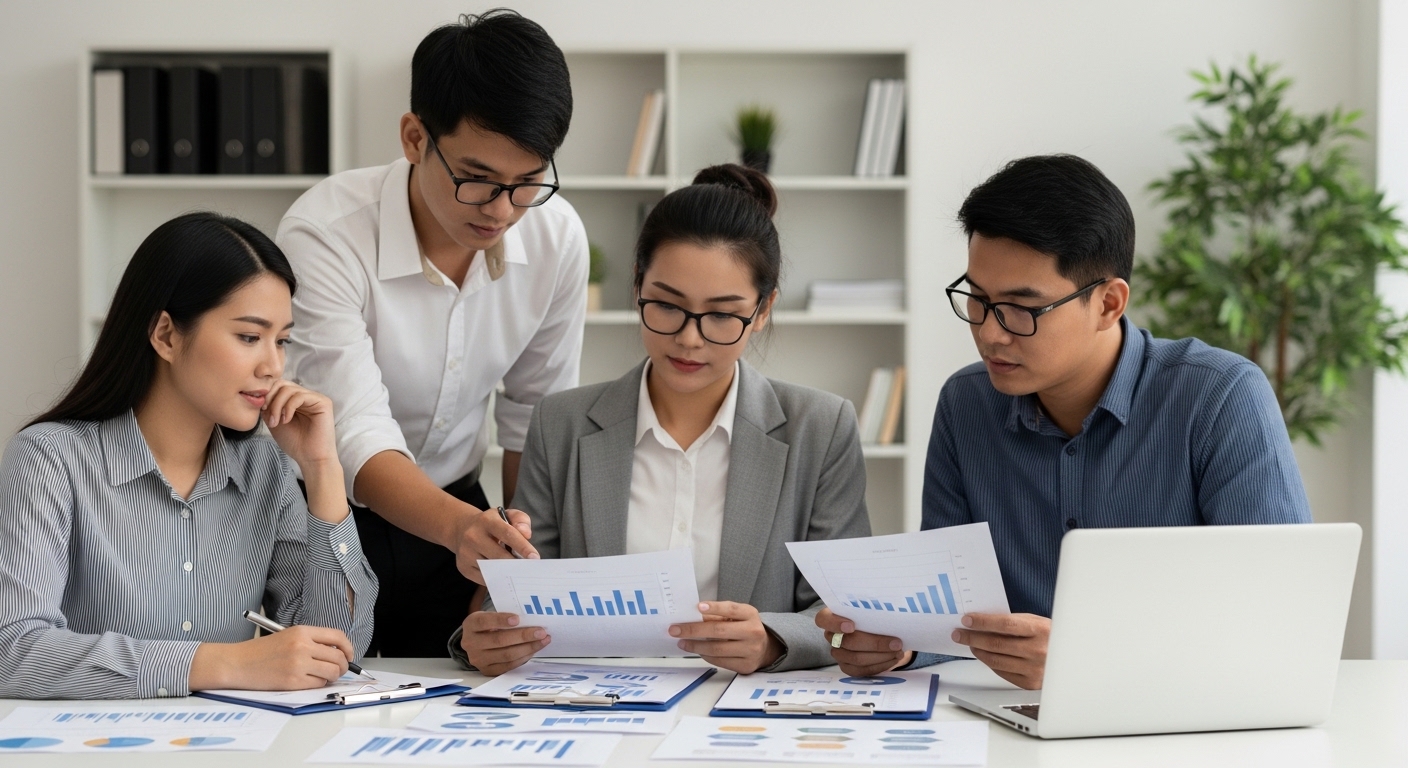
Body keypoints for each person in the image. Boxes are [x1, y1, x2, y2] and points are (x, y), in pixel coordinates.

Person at [816, 154, 1312, 689]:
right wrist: (899, 648)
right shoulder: (966, 404)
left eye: (1021, 307)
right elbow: (952, 616)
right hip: (1002, 718)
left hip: (1173, 720)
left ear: (1108, 303)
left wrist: (1088, 657)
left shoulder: (1220, 398)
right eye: (978, 300)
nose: (990, 333)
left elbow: (1277, 617)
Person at [454, 165, 872, 676]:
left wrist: (771, 641)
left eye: (722, 314)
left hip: (741, 714)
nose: (690, 339)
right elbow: (518, 597)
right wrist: (487, 635)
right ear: (637, 288)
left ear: (763, 310)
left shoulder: (822, 428)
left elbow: (845, 614)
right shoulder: (560, 425)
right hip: (599, 711)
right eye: (668, 306)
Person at [275, 10, 587, 656]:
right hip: (322, 509)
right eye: (476, 179)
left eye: (527, 181)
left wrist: (507, 573)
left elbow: (537, 422)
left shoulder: (556, 238)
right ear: (415, 137)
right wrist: (468, 532)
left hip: (458, 509)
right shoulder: (326, 233)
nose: (502, 210)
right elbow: (353, 431)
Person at [0, 212, 376, 699]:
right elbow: (12, 649)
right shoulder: (50, 460)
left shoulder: (268, 471)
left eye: (281, 341)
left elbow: (338, 653)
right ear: (166, 335)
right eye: (248, 337)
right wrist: (220, 662)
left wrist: (323, 469)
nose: (274, 366)